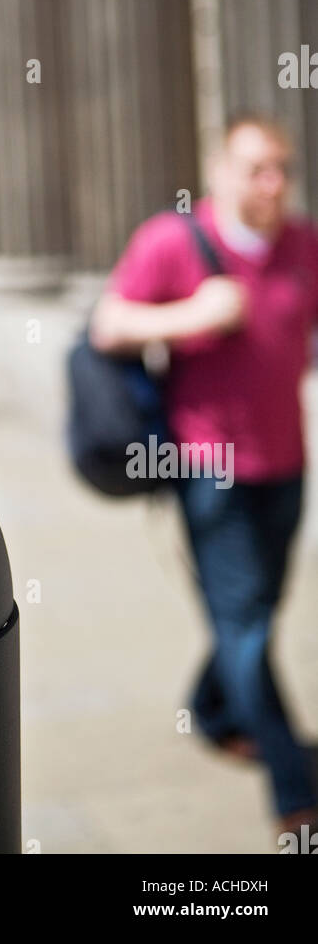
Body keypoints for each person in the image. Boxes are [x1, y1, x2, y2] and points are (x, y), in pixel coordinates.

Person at [90, 114, 318, 842]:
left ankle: (212, 708)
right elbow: (107, 324)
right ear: (219, 174)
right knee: (247, 624)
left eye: (281, 167)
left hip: (286, 461)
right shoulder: (174, 240)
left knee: (255, 610)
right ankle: (296, 790)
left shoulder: (303, 244)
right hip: (206, 466)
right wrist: (194, 314)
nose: (273, 184)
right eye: (256, 169)